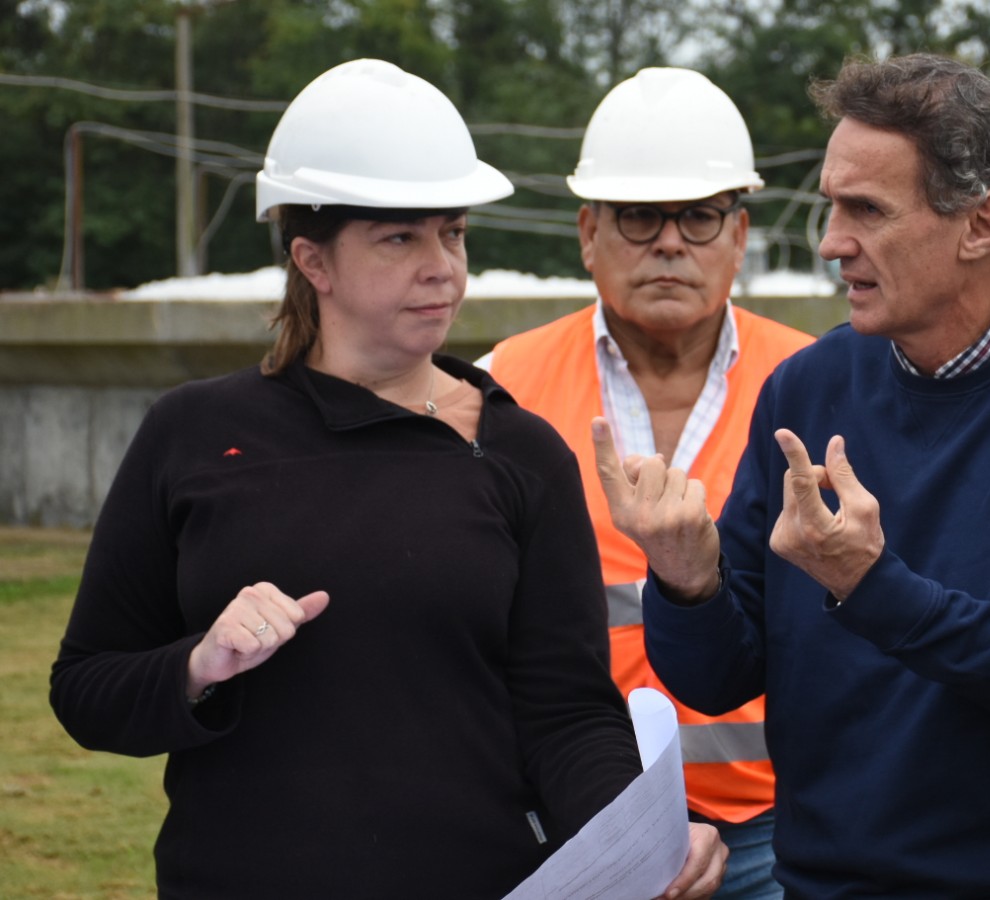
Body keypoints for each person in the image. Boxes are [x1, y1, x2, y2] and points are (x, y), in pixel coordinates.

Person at [48, 58, 723, 900]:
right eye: (401, 237)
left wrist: (644, 835)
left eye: (454, 232)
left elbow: (569, 716)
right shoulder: (191, 434)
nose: (442, 265)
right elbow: (85, 688)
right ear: (312, 260)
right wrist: (199, 665)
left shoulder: (522, 454)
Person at [593, 54, 990, 897]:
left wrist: (875, 587)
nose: (832, 241)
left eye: (866, 210)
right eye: (832, 205)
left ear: (982, 224)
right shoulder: (808, 387)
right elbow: (718, 678)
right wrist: (686, 581)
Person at [481, 67, 811, 899]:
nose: (670, 242)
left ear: (739, 236)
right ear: (588, 232)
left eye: (699, 217)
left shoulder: (817, 385)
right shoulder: (498, 388)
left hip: (783, 824)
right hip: (574, 821)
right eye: (638, 216)